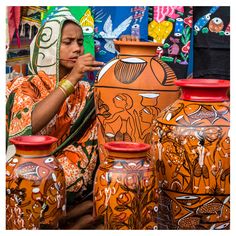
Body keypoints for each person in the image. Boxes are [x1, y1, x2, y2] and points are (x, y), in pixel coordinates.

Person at [6, 7, 105, 229]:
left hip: (72, 181)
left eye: (80, 42)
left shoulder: (86, 91)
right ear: (49, 46)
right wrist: (69, 81)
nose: (77, 49)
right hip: (30, 173)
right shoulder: (27, 85)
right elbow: (27, 126)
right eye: (68, 42)